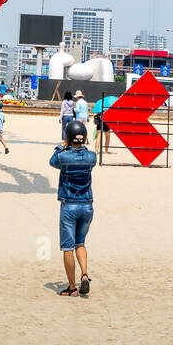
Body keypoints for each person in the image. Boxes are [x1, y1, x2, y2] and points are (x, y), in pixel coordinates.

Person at [49, 120, 97, 297]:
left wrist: (62, 146)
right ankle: (84, 274)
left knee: (67, 247)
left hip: (69, 205)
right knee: (80, 243)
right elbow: (85, 154)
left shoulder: (63, 156)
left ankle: (72, 287)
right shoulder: (92, 157)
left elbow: (52, 161)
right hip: (87, 205)